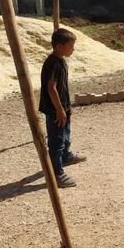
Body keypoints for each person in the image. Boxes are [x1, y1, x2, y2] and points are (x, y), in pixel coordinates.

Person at [39, 28, 86, 188]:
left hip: (63, 107)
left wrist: (65, 107)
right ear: (59, 47)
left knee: (65, 135)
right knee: (56, 141)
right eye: (70, 46)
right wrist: (59, 110)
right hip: (54, 110)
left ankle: (66, 156)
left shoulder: (61, 61)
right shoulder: (52, 64)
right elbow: (51, 88)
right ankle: (57, 174)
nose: (73, 49)